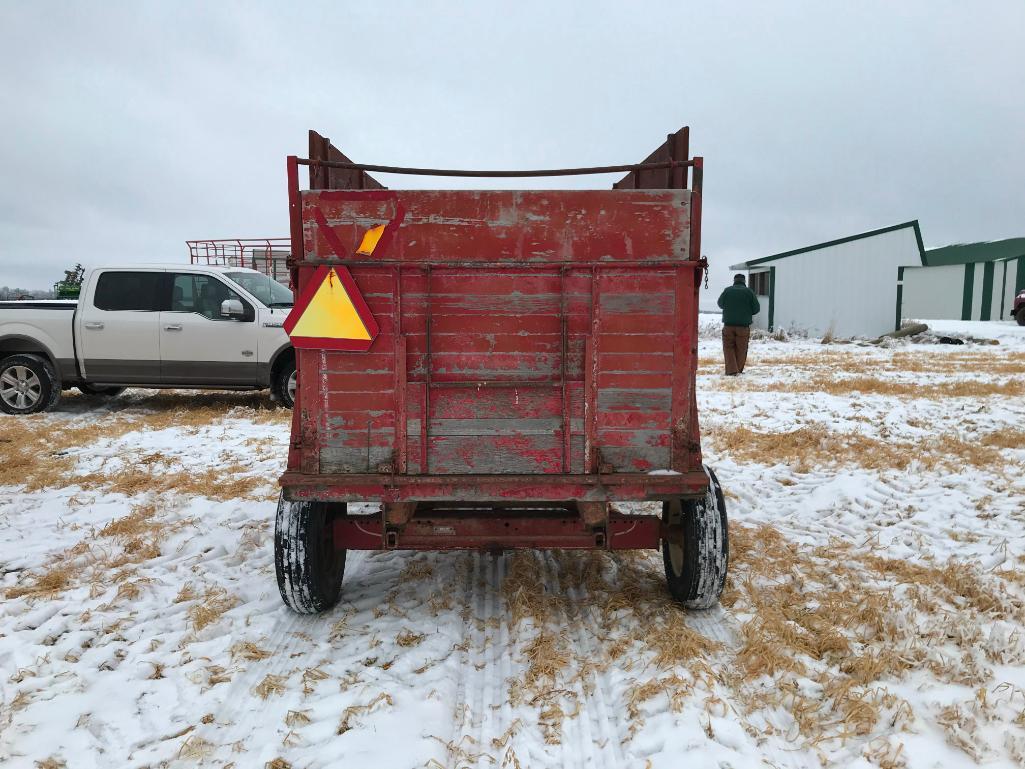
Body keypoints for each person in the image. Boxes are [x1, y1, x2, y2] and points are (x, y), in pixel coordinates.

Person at [717, 274, 761, 376]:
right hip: (743, 326)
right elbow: (756, 309)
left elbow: (720, 304)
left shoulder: (727, 290)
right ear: (744, 281)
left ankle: (732, 370)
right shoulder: (749, 292)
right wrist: (747, 312)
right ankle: (738, 370)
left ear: (734, 280)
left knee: (728, 347)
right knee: (741, 348)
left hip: (728, 325)